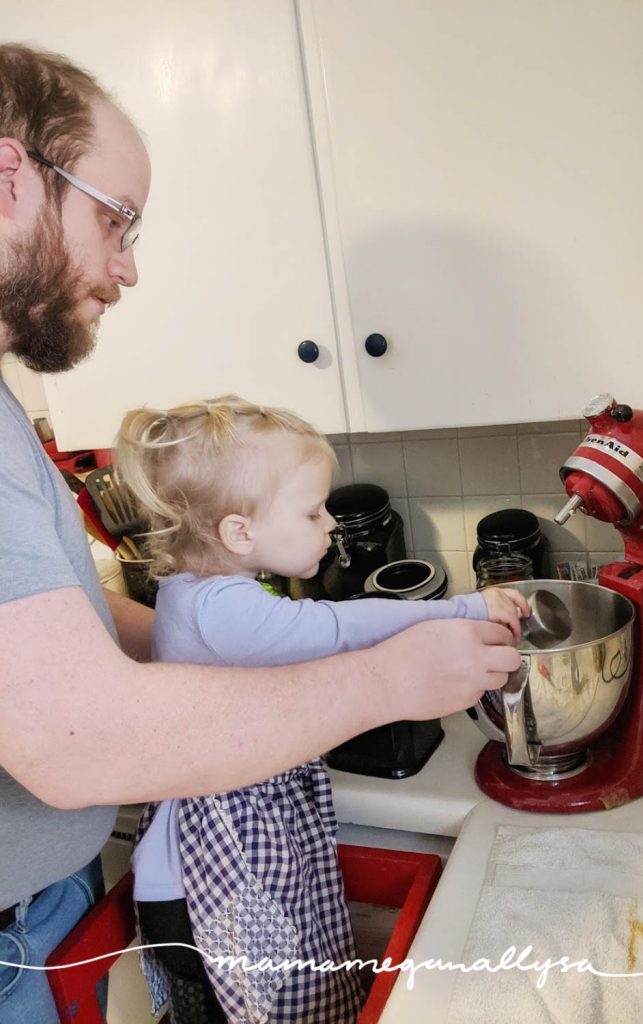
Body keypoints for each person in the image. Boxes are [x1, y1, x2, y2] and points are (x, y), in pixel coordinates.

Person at [0, 43, 523, 1022]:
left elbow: (47, 618)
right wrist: (397, 675)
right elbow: (80, 743)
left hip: (38, 913)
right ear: (10, 177)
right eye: (115, 219)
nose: (130, 266)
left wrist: (183, 638)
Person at [115, 395, 529, 1024]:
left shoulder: (201, 591)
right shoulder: (224, 609)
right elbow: (337, 627)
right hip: (211, 889)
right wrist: (461, 608)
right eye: (312, 511)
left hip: (209, 872)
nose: (331, 525)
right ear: (239, 532)